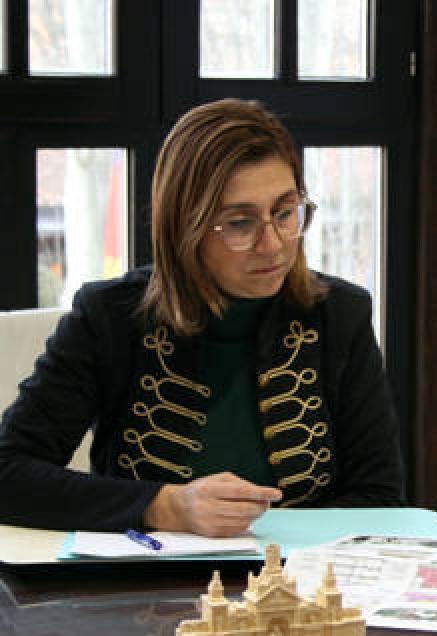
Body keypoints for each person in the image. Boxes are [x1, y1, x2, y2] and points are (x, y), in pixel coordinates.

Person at [0, 98, 404, 536]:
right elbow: (9, 474)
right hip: (145, 585)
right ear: (184, 228)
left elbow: (380, 496)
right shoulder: (109, 317)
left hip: (303, 586)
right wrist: (164, 507)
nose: (272, 244)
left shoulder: (340, 314)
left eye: (285, 213)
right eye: (239, 224)